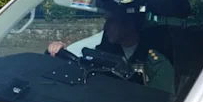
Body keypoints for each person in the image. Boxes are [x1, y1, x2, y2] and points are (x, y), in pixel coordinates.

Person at [47, 6, 175, 93]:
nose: (105, 27)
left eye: (111, 22)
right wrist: (55, 51)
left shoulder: (156, 63)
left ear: (129, 25)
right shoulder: (102, 53)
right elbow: (78, 75)